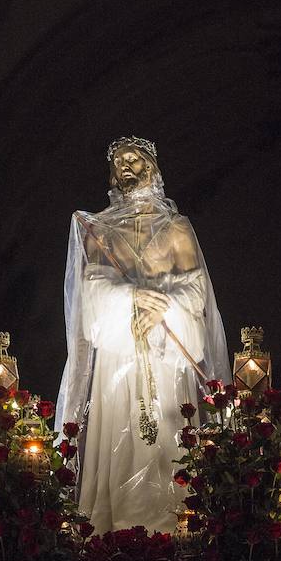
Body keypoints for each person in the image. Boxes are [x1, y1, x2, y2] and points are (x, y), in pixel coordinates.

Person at [55, 136, 231, 534]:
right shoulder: (99, 229)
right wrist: (132, 297)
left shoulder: (175, 228)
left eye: (134, 159)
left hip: (166, 351)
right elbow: (92, 289)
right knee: (122, 448)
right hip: (119, 354)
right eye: (118, 162)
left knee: (168, 443)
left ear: (152, 167)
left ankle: (175, 529)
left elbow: (195, 289)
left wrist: (164, 305)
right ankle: (115, 534)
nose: (126, 167)